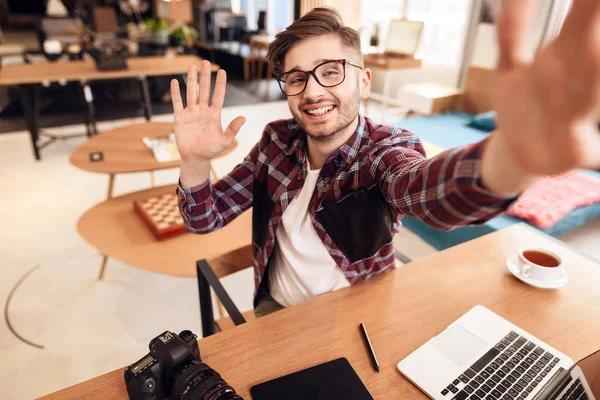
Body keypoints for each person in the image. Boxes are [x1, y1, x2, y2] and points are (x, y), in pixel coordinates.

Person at [171, 1, 600, 317]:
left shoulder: (385, 151)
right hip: (273, 305)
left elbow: (427, 191)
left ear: (364, 80)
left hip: (361, 311)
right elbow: (203, 219)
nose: (314, 91)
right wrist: (192, 161)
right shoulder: (275, 142)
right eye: (297, 78)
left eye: (331, 70)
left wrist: (514, 157)